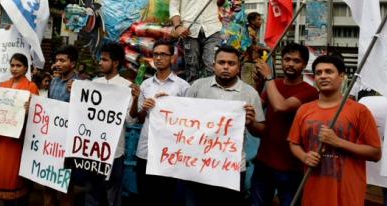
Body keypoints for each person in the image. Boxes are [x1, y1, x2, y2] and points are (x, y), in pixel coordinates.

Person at [288, 55, 381, 206]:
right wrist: (304, 157)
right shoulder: (304, 110)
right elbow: (293, 143)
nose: (323, 76)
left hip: (347, 196)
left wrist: (338, 142)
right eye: (318, 73)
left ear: (342, 76)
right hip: (313, 193)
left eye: (329, 72)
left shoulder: (360, 111)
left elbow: (375, 153)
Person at [185, 45, 265, 205]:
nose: (226, 67)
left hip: (231, 168)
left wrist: (251, 123)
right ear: (214, 64)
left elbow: (261, 131)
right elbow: (182, 119)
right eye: (222, 62)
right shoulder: (197, 87)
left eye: (231, 63)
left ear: (238, 66)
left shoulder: (250, 93)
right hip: (198, 165)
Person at [250, 43, 318, 206]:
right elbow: (256, 110)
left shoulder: (310, 91)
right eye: (287, 59)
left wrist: (268, 78)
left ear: (304, 64)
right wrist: (258, 85)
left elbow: (281, 107)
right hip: (263, 162)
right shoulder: (275, 85)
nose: (290, 64)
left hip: (291, 167)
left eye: (296, 61)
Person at [131, 39, 190, 205]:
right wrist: (144, 107)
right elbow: (140, 118)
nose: (158, 58)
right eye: (155, 54)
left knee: (166, 197)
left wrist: (171, 105)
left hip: (169, 152)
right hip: (146, 150)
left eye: (163, 54)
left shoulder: (182, 86)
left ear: (172, 58)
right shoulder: (145, 84)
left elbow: (188, 121)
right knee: (146, 195)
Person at [84, 42, 137, 206]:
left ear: (116, 63)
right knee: (92, 192)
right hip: (93, 149)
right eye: (100, 59)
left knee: (112, 195)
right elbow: (84, 112)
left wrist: (135, 99)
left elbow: (130, 120)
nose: (100, 63)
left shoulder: (127, 87)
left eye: (105, 59)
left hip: (114, 151)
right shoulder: (94, 82)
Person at [0, 53, 38, 205]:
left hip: (17, 140)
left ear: (26, 68)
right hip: (1, 138)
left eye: (18, 66)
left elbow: (37, 115)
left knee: (14, 173)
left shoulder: (31, 87)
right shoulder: (2, 85)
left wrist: (30, 109)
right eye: (12, 65)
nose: (14, 69)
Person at [45, 45, 80, 206]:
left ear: (72, 63)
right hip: (51, 139)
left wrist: (77, 94)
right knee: (47, 179)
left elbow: (84, 113)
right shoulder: (53, 82)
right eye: (56, 60)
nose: (57, 64)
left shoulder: (81, 84)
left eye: (62, 60)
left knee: (65, 183)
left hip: (67, 142)